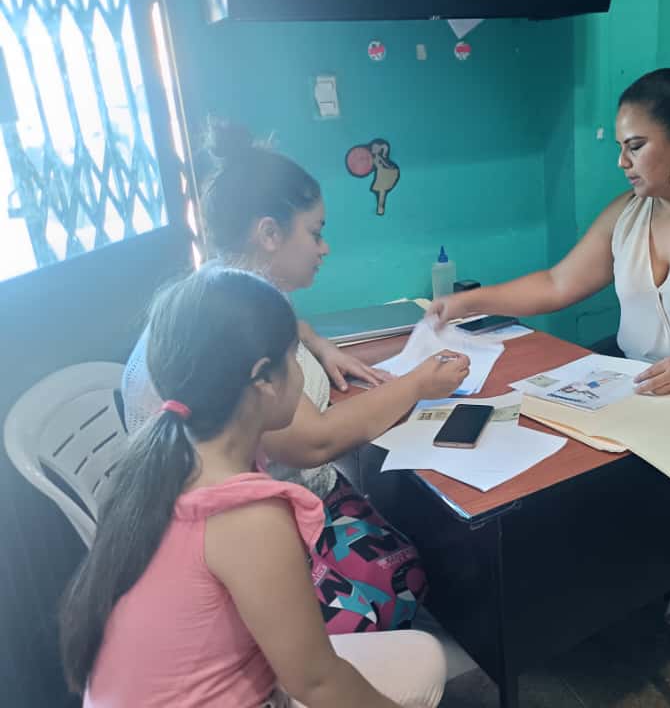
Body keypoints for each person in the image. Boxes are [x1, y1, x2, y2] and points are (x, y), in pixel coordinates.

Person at [122, 121, 469, 633]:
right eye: (315, 232)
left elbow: (290, 321)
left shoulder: (220, 291)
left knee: (395, 541)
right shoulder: (232, 327)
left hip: (215, 507)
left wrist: (319, 345)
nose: (324, 248)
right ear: (269, 234)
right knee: (403, 577)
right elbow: (314, 442)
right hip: (221, 538)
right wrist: (418, 384)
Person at [61, 266, 446, 707]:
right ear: (263, 378)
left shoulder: (165, 456)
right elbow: (318, 683)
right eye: (294, 359)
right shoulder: (248, 518)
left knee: (422, 656)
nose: (300, 375)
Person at [428, 58, 670, 404]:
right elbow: (557, 283)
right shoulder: (627, 212)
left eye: (635, 147)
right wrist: (466, 303)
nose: (622, 162)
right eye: (620, 148)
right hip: (643, 391)